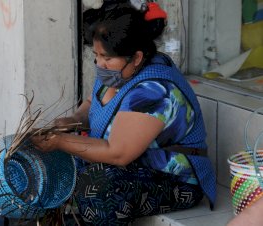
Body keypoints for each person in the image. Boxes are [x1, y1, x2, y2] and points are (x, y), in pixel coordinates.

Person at [30, 2, 217, 225]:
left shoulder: (154, 90)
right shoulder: (116, 71)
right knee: (55, 164)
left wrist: (61, 141)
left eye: (106, 58)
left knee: (98, 187)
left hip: (173, 178)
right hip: (132, 165)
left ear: (136, 58)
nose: (100, 63)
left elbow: (118, 153)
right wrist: (75, 120)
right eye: (96, 55)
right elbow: (94, 102)